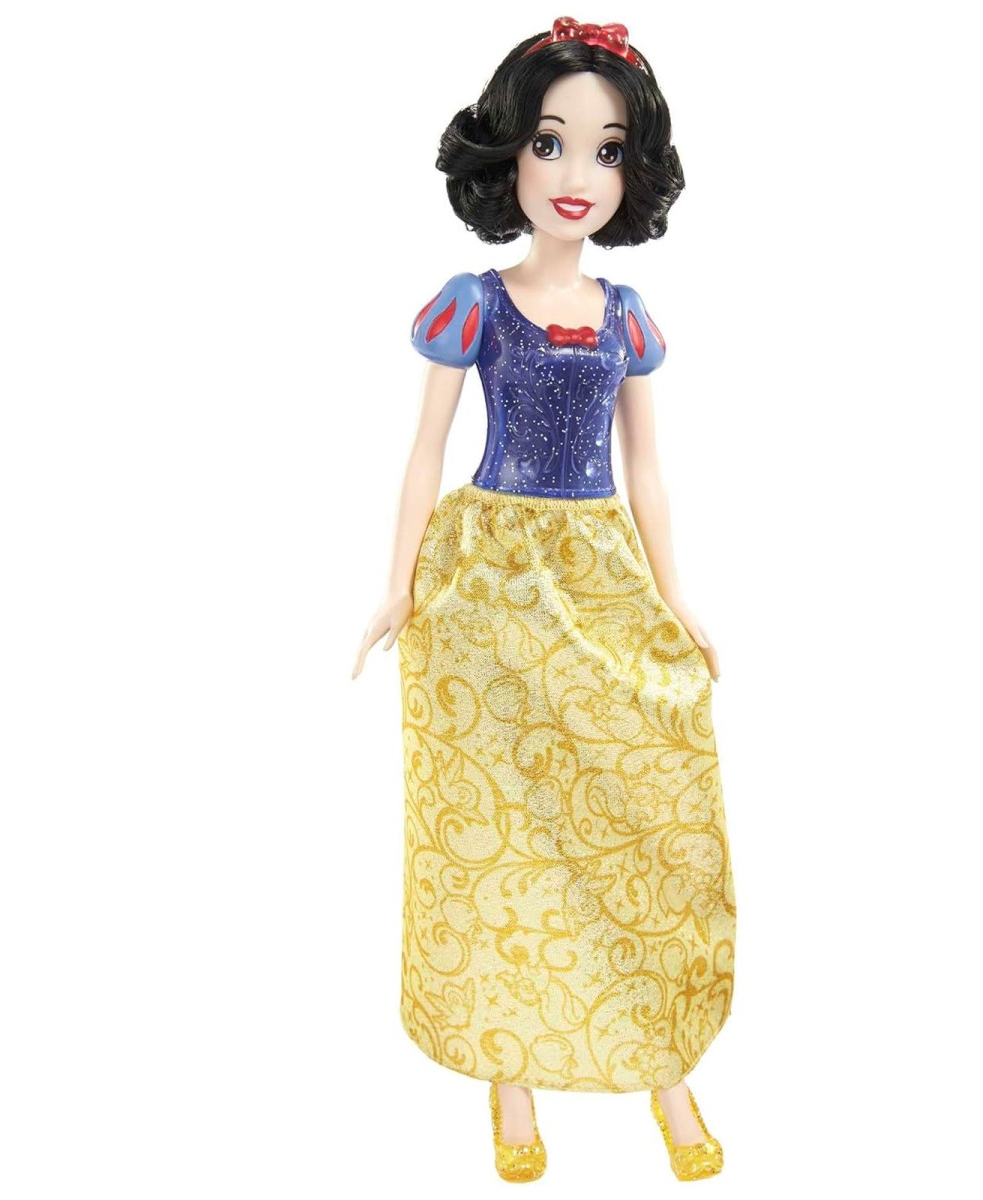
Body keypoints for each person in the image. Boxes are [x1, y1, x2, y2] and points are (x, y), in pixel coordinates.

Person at [353, 18, 736, 1183]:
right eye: (552, 143)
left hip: (598, 571)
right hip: (488, 579)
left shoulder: (626, 316)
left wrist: (676, 601)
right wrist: (397, 587)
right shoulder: (475, 302)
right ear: (509, 154)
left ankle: (662, 1059)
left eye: (608, 151)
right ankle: (509, 1076)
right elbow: (425, 451)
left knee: (636, 806)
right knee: (501, 828)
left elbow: (649, 470)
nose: (577, 175)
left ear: (635, 171)